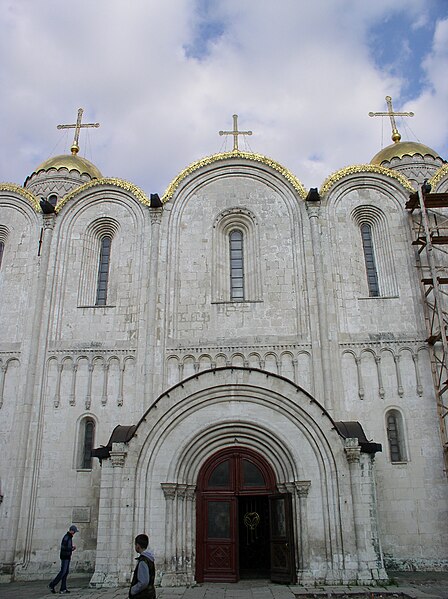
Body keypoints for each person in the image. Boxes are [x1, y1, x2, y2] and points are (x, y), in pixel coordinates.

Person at [49, 525, 78, 594]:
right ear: (71, 531)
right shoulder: (67, 537)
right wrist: (71, 548)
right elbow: (64, 547)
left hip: (67, 557)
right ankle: (52, 585)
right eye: (74, 532)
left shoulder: (69, 537)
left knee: (65, 572)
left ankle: (63, 588)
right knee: (63, 572)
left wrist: (71, 548)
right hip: (65, 557)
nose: (74, 533)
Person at [129, 533, 156, 599]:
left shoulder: (143, 561)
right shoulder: (149, 558)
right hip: (149, 593)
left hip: (143, 595)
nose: (135, 547)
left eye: (135, 545)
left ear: (138, 545)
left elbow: (144, 582)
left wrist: (133, 590)